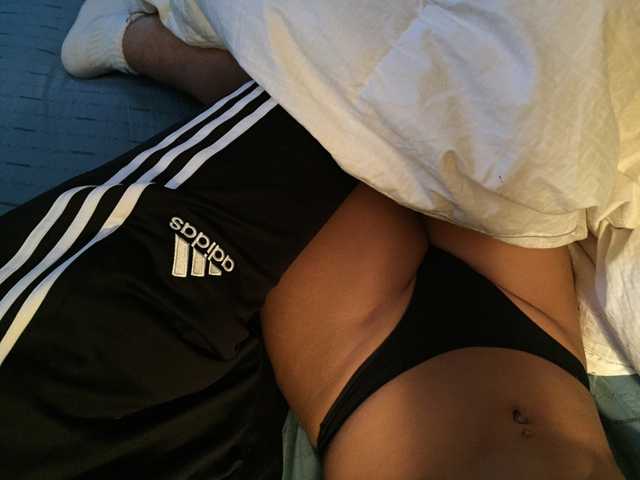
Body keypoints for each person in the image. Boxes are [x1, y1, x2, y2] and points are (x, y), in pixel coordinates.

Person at [0, 1, 625, 478]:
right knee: (477, 88)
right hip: (526, 330)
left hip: (365, 354)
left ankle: (135, 42)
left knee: (339, 121)